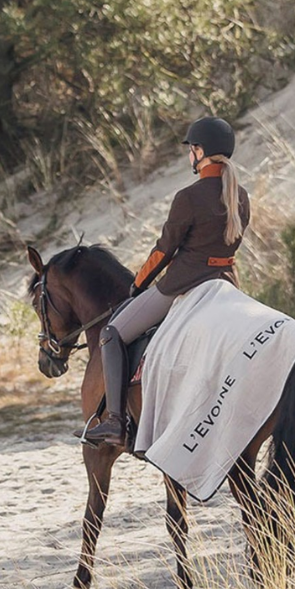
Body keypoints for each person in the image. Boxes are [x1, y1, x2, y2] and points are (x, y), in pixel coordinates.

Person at [82, 116, 250, 448]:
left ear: (200, 152)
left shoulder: (189, 197)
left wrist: (139, 284)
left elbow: (164, 250)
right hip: (226, 285)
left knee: (112, 333)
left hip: (184, 284)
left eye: (192, 149)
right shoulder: (240, 195)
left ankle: (115, 422)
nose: (190, 155)